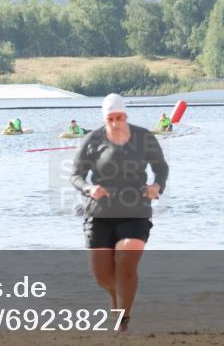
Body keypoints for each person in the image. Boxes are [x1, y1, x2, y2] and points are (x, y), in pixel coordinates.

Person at [71, 93, 169, 333]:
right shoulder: (92, 140)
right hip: (99, 212)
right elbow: (76, 175)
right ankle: (115, 297)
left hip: (136, 209)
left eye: (120, 117)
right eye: (110, 118)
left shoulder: (144, 137)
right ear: (104, 118)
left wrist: (157, 186)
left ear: (126, 115)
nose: (115, 122)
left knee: (126, 262)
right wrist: (88, 188)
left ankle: (123, 322)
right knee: (103, 277)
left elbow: (161, 167)